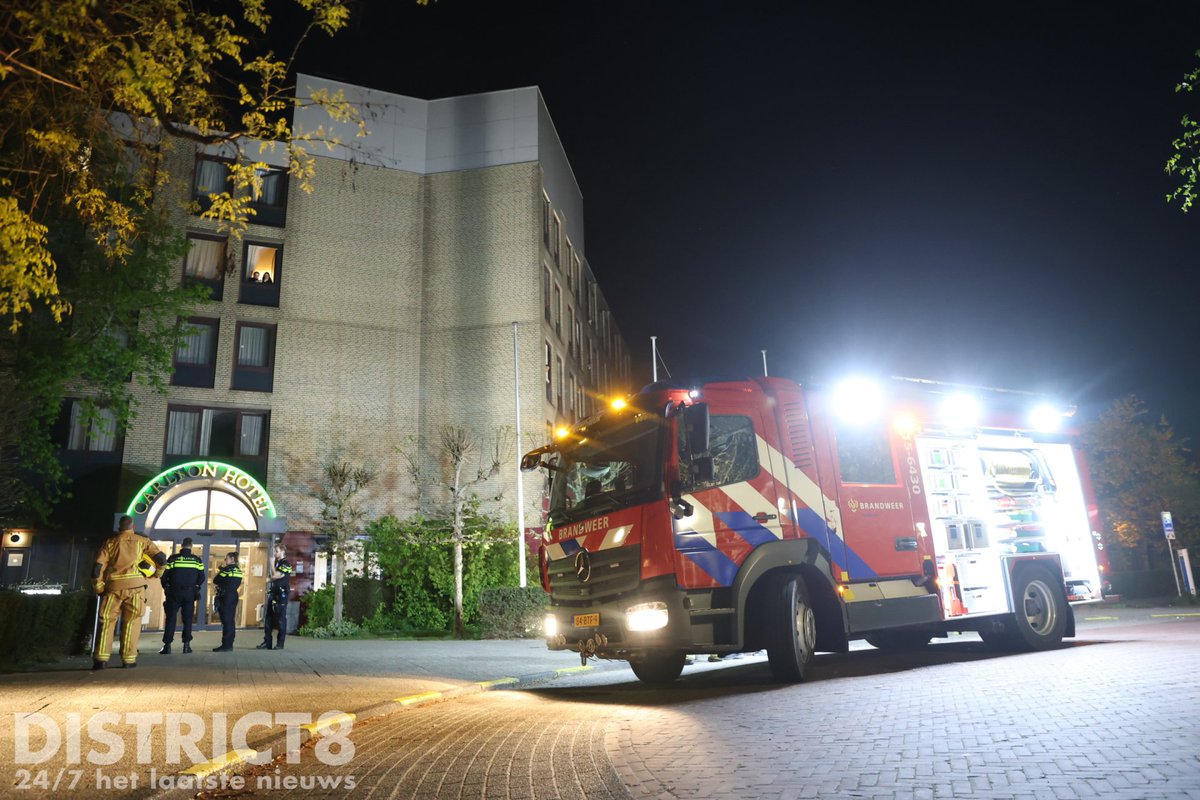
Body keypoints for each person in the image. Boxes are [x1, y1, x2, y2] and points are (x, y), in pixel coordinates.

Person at [92, 515, 167, 670]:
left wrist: (98, 587)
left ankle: (101, 659)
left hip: (113, 589)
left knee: (106, 622)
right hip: (136, 590)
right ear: (132, 528)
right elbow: (161, 558)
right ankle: (128, 660)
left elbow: (97, 568)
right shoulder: (142, 541)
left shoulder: (110, 543)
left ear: (119, 528)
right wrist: (157, 574)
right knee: (132, 622)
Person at [159, 537, 204, 655]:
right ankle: (186, 646)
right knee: (188, 619)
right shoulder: (196, 560)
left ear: (182, 545)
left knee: (171, 618)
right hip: (189, 593)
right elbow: (202, 577)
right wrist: (196, 587)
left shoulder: (173, 559)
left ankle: (167, 646)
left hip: (174, 592)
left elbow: (164, 576)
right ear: (191, 546)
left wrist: (166, 588)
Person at [257, 543, 293, 650]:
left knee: (281, 620)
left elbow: (275, 576)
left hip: (281, 596)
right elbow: (271, 578)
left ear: (282, 551)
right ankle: (267, 642)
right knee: (268, 619)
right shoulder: (279, 563)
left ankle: (280, 644)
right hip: (273, 594)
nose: (275, 554)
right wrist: (273, 576)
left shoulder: (286, 564)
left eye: (276, 551)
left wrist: (272, 564)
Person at [212, 552, 243, 652]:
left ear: (232, 559)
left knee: (226, 620)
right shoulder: (239, 570)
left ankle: (226, 645)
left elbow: (216, 580)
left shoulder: (226, 569)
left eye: (226, 559)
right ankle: (229, 643)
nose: (225, 561)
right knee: (230, 620)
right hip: (233, 595)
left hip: (225, 596)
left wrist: (220, 571)